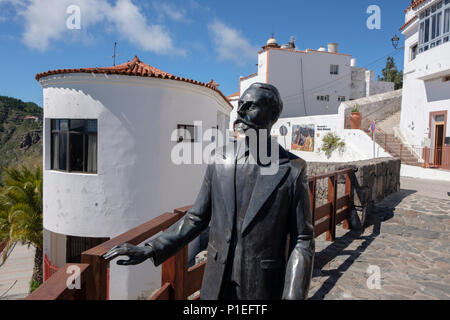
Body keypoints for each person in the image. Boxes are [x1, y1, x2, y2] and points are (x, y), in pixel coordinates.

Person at [104, 83, 315, 300]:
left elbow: (303, 239)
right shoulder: (219, 160)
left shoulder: (292, 169)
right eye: (240, 105)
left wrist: (294, 295)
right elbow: (196, 218)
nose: (240, 112)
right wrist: (151, 248)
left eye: (250, 106)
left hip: (262, 286)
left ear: (272, 114)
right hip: (216, 283)